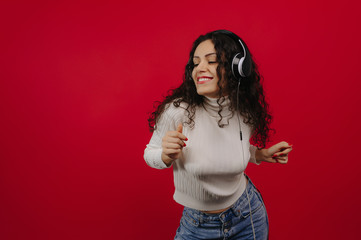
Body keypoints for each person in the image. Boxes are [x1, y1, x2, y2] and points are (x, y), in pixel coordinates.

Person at [144, 30, 292, 240]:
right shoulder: (177, 112)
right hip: (197, 226)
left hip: (247, 214)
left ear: (237, 69)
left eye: (211, 61)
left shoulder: (243, 109)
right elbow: (150, 154)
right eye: (195, 63)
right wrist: (165, 156)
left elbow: (233, 146)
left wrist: (260, 154)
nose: (199, 69)